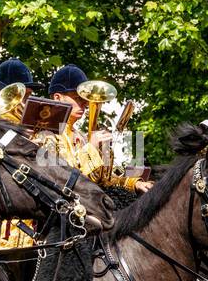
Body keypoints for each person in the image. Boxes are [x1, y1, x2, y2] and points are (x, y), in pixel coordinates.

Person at [42, 64, 152, 195]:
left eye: (85, 99)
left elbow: (105, 181)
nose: (86, 104)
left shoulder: (80, 136)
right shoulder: (46, 135)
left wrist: (135, 184)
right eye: (78, 98)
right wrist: (91, 148)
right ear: (58, 98)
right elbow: (63, 180)